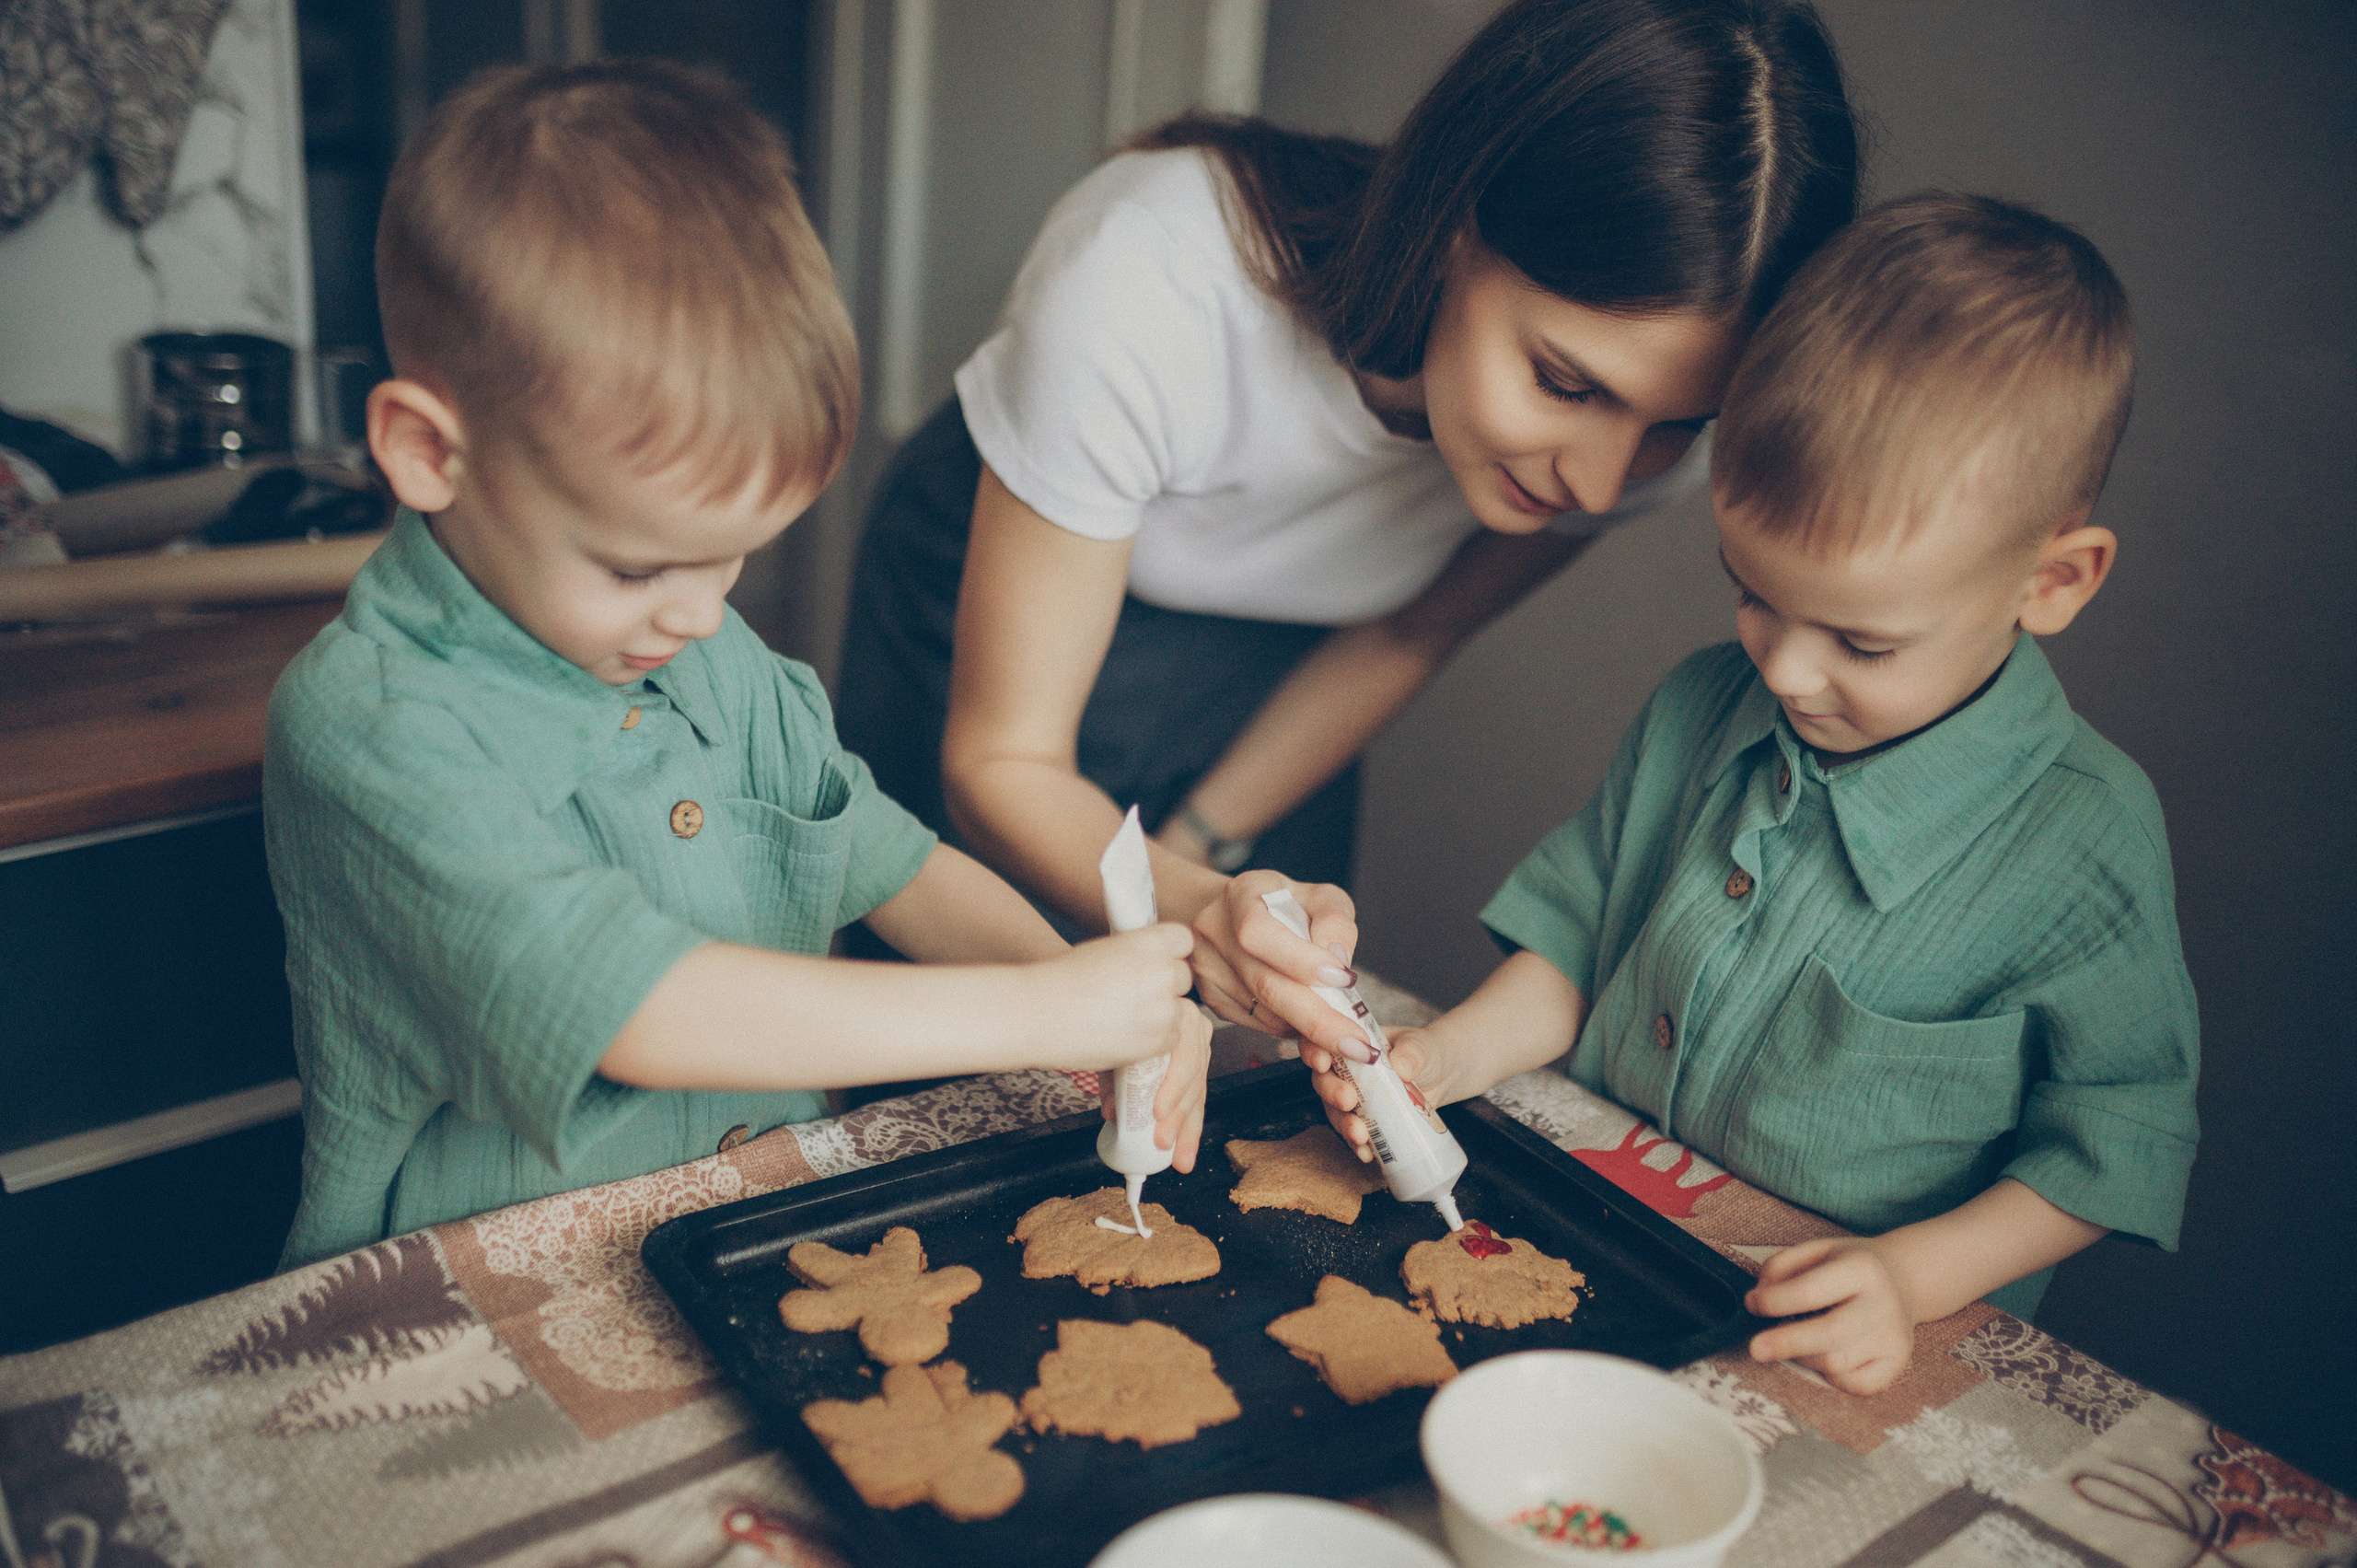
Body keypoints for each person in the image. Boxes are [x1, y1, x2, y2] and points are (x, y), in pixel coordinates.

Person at [263, 63, 1211, 1271]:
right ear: (427, 450)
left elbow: (895, 863)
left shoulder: (713, 656)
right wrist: (1039, 1010)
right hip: (465, 1305)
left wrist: (1084, 994)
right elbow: (645, 1009)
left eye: (735, 559)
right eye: (636, 565)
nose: (703, 613)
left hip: (746, 1241)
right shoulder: (367, 726)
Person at [834, 0, 1862, 1063]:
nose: (1599, 487)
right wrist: (1188, 908)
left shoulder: (1638, 443)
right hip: (1003, 596)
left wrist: (1204, 862)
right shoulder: (1152, 271)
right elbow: (1005, 757)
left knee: (1253, 1027)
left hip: (1305, 662)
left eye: (1673, 428)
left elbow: (1408, 634)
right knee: (961, 1035)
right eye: (1563, 383)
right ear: (1457, 218)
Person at [1310, 192, 2200, 1394]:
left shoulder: (2084, 841)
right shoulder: (1702, 706)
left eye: (1863, 642)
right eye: (1752, 592)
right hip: (1595, 1243)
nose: (1783, 668)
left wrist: (1910, 1272)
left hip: (1845, 1342)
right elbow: (1581, 937)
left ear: (2052, 580)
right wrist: (1451, 1054)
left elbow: (2116, 1140)